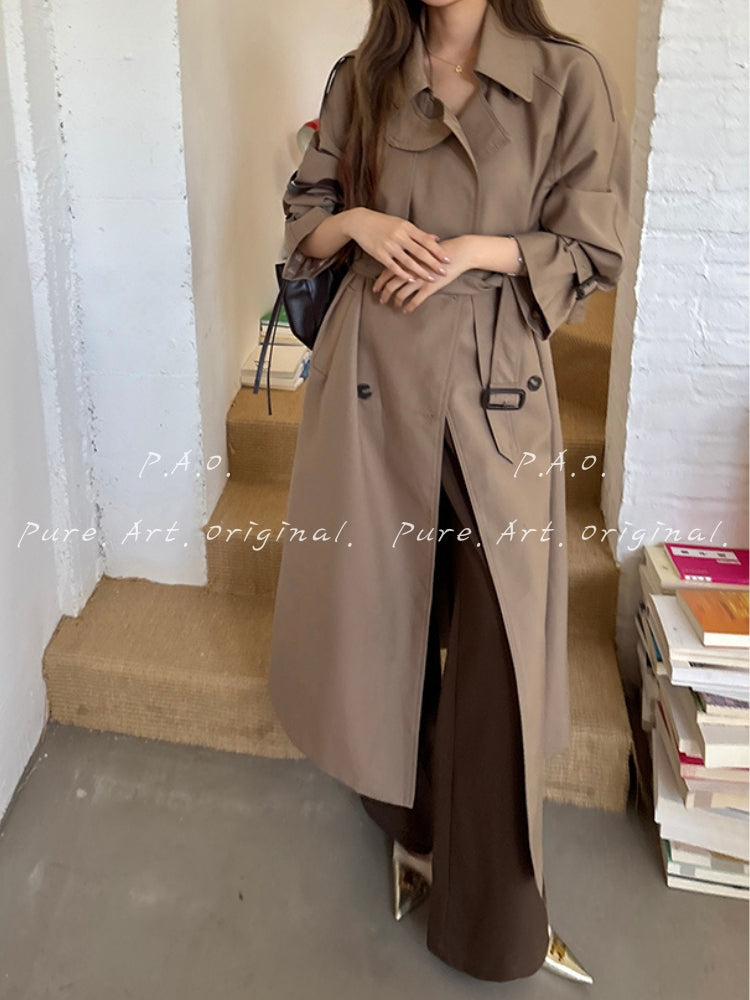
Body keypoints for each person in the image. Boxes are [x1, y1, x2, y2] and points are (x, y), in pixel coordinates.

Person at [268, 0, 631, 985]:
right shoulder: (365, 74)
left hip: (495, 377)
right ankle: (410, 820)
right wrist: (363, 223)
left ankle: (497, 920)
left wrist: (478, 250)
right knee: (384, 611)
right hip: (373, 379)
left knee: (500, 644)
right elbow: (306, 215)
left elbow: (593, 247)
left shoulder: (565, 78)